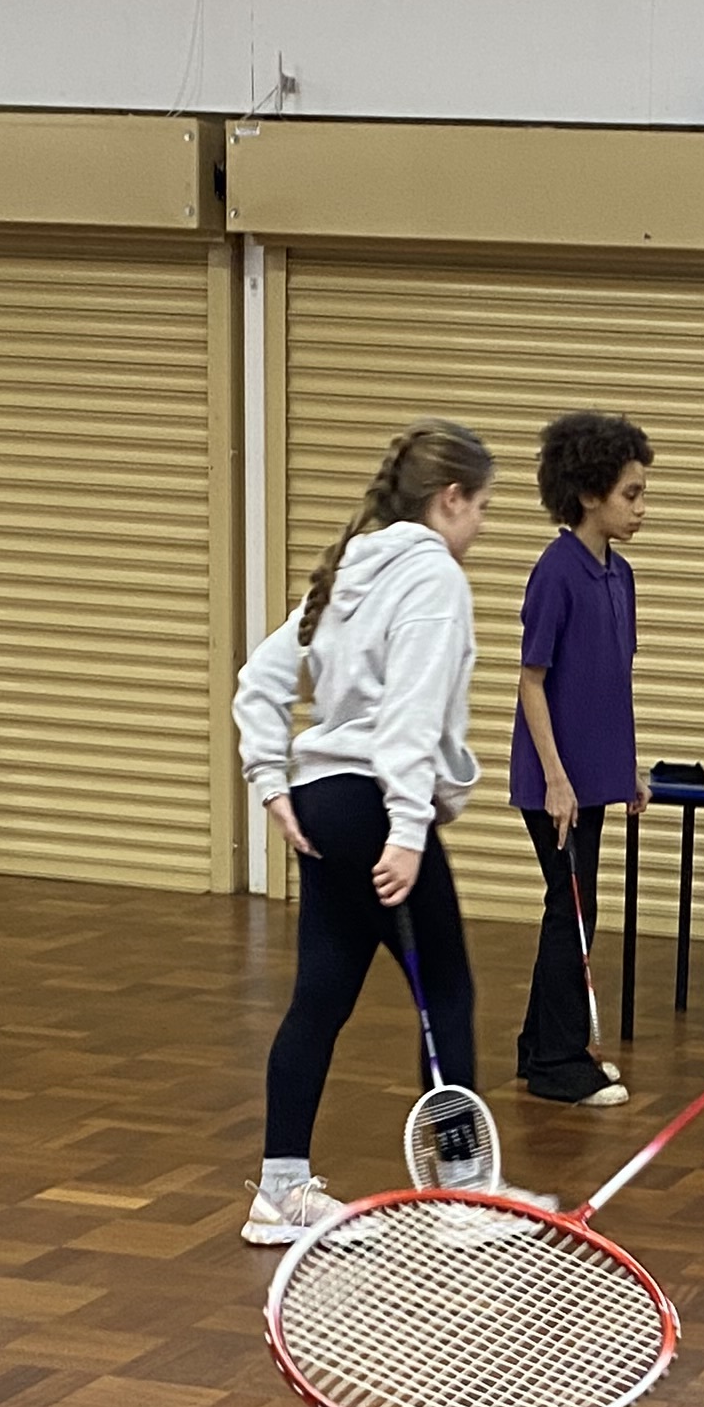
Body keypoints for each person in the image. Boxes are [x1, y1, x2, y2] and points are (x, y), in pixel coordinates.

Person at [235, 418, 494, 1247]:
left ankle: (280, 1193)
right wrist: (409, 830)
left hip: (324, 804)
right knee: (446, 992)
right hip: (378, 807)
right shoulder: (433, 578)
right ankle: (461, 1198)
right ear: (449, 499)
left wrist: (272, 783)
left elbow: (259, 681)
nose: (481, 526)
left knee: (322, 994)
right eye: (481, 507)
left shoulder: (348, 569)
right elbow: (410, 717)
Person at [510, 408, 648, 1108]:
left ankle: (539, 1047)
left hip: (594, 779)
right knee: (572, 910)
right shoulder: (555, 573)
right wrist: (557, 781)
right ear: (590, 494)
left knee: (573, 909)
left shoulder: (619, 576)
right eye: (631, 494)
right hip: (554, 783)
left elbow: (610, 682)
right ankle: (559, 1065)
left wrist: (628, 771)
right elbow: (532, 681)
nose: (642, 508)